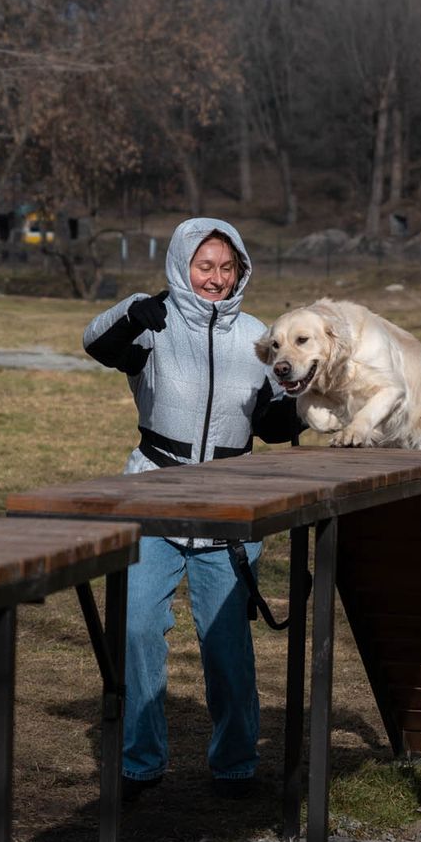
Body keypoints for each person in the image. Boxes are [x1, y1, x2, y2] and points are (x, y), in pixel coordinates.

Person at [82, 218, 300, 802]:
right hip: (152, 494)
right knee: (135, 628)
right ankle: (140, 761)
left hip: (230, 502)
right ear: (183, 264)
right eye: (205, 266)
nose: (216, 278)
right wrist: (133, 314)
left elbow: (274, 427)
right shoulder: (152, 321)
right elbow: (98, 346)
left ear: (240, 272)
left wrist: (299, 399)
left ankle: (235, 764)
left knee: (226, 641)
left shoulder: (258, 336)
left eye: (227, 268)